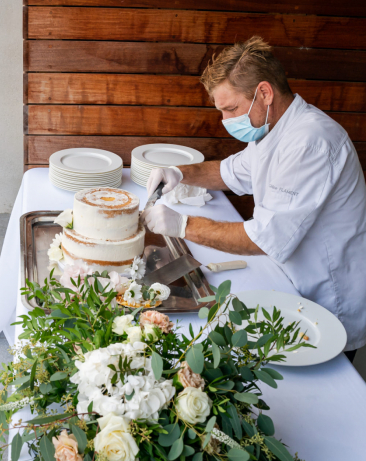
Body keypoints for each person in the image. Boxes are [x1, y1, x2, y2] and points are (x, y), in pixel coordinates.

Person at [141, 37, 366, 361]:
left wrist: (182, 224)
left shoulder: (311, 141)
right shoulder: (273, 129)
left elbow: (263, 238)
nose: (226, 120)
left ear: (264, 93)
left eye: (231, 109)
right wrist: (178, 172)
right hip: (289, 282)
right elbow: (231, 171)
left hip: (326, 296)